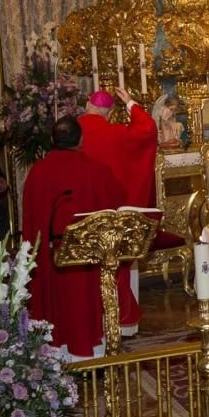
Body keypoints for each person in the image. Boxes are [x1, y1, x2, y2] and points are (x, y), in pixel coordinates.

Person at [22, 117, 124, 359]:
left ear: (52, 141)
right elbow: (117, 207)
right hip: (87, 266)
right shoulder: (97, 171)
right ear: (81, 140)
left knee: (55, 305)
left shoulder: (37, 173)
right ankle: (90, 354)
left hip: (50, 261)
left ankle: (52, 357)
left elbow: (30, 224)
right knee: (83, 304)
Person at [78, 87, 159, 334]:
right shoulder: (117, 133)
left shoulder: (72, 132)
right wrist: (132, 103)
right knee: (116, 262)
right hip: (113, 210)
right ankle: (121, 323)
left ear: (86, 106)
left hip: (81, 211)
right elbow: (148, 130)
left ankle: (88, 322)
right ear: (110, 112)